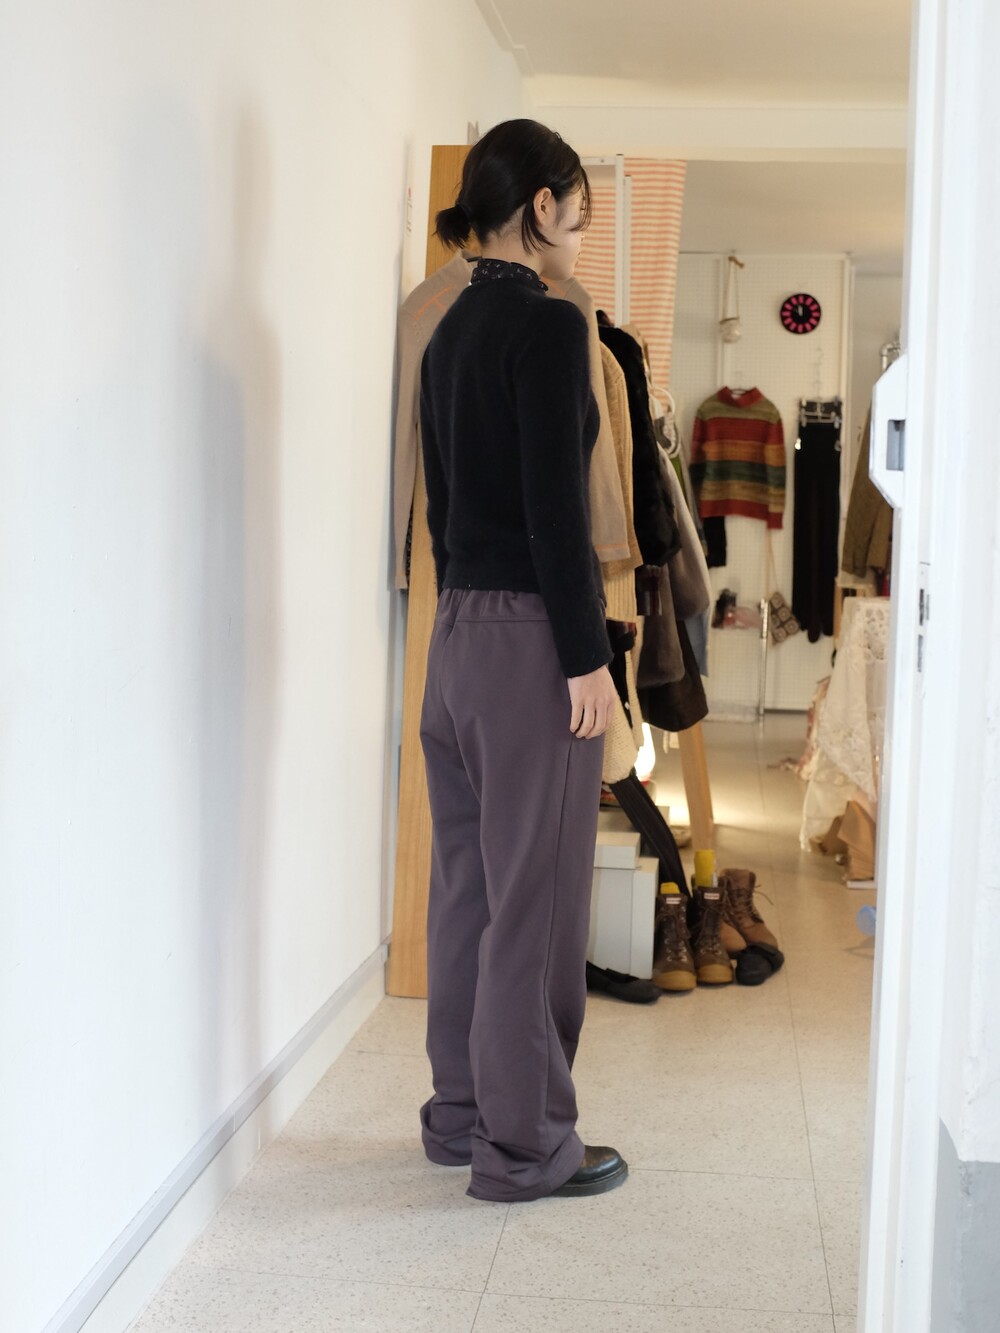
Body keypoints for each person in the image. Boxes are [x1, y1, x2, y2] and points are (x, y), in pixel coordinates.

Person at [417, 119, 628, 1203]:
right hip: (527, 642)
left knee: (468, 887)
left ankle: (460, 1116)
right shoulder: (548, 325)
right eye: (577, 216)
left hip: (456, 637)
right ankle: (527, 1143)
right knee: (535, 906)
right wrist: (585, 659)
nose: (577, 239)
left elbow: (445, 513)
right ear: (541, 208)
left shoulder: (447, 330)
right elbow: (557, 511)